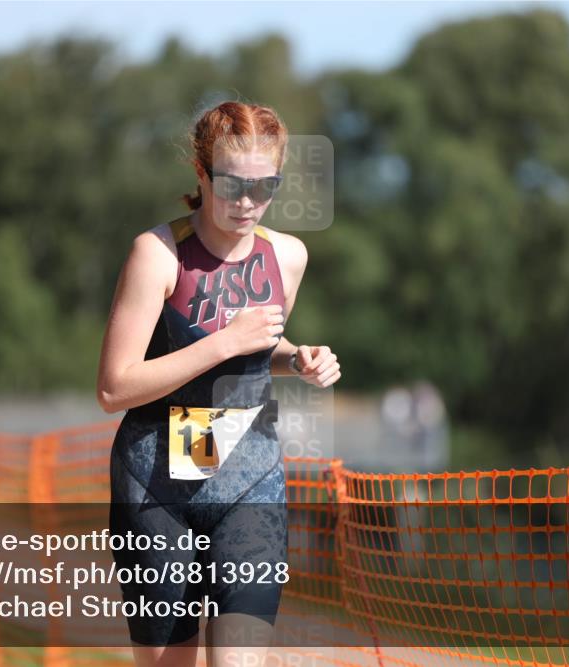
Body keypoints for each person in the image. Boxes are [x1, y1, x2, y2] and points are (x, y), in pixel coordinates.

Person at [96, 100, 341, 667]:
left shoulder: (288, 256)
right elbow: (113, 387)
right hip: (157, 487)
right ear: (202, 173)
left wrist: (297, 357)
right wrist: (225, 340)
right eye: (233, 184)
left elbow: (256, 350)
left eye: (266, 186)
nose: (248, 203)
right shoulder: (156, 254)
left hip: (248, 479)